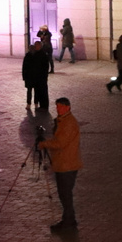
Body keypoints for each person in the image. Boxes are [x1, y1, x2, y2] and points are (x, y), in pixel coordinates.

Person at [36, 97, 82, 231]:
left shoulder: (68, 123)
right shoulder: (64, 121)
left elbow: (60, 143)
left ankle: (68, 223)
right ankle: (69, 220)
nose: (58, 109)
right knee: (65, 194)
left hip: (67, 165)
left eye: (61, 107)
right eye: (57, 107)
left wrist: (44, 144)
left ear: (68, 107)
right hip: (65, 163)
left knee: (65, 194)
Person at [23, 40, 51, 113]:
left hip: (40, 78)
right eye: (35, 45)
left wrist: (44, 77)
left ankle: (41, 105)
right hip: (33, 77)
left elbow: (45, 67)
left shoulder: (42, 54)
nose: (35, 47)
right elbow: (25, 66)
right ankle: (35, 104)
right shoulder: (34, 54)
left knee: (40, 92)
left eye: (36, 45)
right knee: (34, 91)